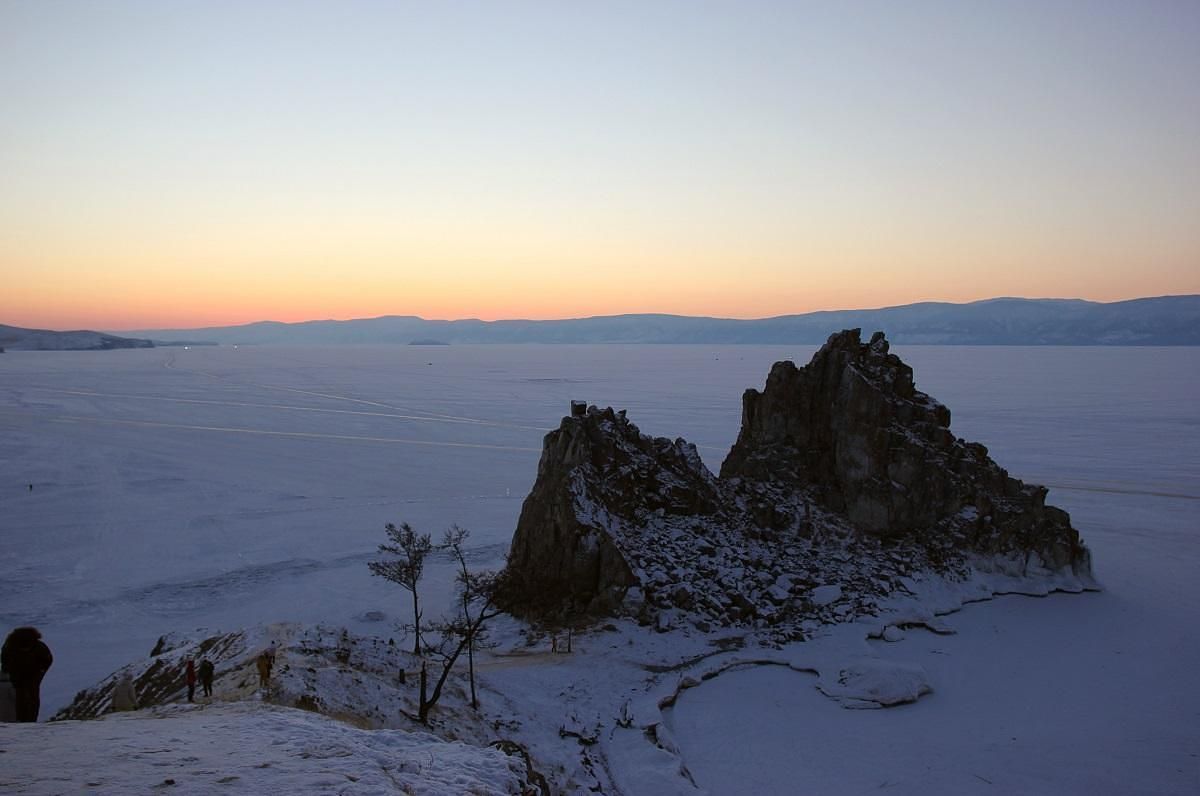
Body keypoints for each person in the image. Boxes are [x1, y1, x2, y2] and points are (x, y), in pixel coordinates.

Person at [1, 626, 53, 722]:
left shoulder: (39, 646)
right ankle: (22, 719)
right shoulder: (10, 646)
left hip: (33, 674)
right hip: (17, 674)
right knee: (21, 696)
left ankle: (31, 719)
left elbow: (48, 660)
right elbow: (5, 660)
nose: (25, 650)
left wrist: (40, 672)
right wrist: (9, 671)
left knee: (32, 695)